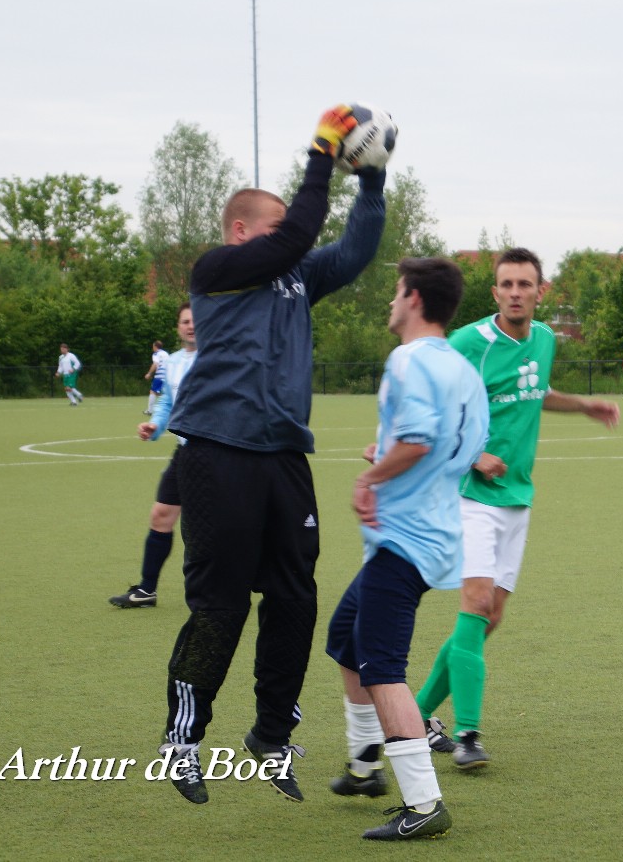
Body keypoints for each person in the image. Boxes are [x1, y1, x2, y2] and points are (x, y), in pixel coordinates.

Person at [156, 106, 384, 806]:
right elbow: (298, 239)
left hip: (284, 457)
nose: (290, 235)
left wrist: (371, 181)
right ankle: (183, 740)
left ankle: (271, 733)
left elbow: (352, 251)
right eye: (277, 225)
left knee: (294, 598)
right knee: (220, 604)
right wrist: (321, 155)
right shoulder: (218, 269)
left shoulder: (294, 274)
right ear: (240, 230)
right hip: (217, 452)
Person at [415, 247, 619, 771]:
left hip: (517, 497)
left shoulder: (545, 339)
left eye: (524, 284)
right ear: (494, 292)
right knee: (476, 602)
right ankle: (467, 735)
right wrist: (472, 454)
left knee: (490, 617)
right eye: (506, 284)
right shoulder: (469, 343)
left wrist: (584, 405)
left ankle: (415, 716)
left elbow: (535, 391)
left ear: (540, 291)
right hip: (469, 496)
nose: (514, 293)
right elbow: (429, 403)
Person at [326, 258, 488, 840]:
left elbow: (418, 441)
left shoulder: (409, 359)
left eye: (396, 292)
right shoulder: (462, 369)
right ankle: (365, 766)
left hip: (406, 537)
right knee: (346, 639)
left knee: (380, 666)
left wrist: (370, 478)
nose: (391, 302)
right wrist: (391, 452)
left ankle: (424, 805)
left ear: (414, 299)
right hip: (433, 529)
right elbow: (461, 446)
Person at [110, 304, 197, 608]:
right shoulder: (171, 362)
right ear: (178, 327)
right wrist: (155, 425)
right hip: (186, 451)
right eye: (185, 321)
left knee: (215, 524)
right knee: (161, 515)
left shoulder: (219, 357)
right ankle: (147, 590)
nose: (191, 325)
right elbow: (166, 404)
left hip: (219, 454)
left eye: (196, 320)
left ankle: (229, 585)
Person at [144, 340, 168, 416]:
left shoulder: (156, 353)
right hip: (167, 376)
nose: (152, 348)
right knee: (162, 393)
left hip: (160, 376)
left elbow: (155, 364)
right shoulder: (166, 353)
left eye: (153, 346)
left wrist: (149, 373)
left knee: (153, 391)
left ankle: (150, 411)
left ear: (155, 346)